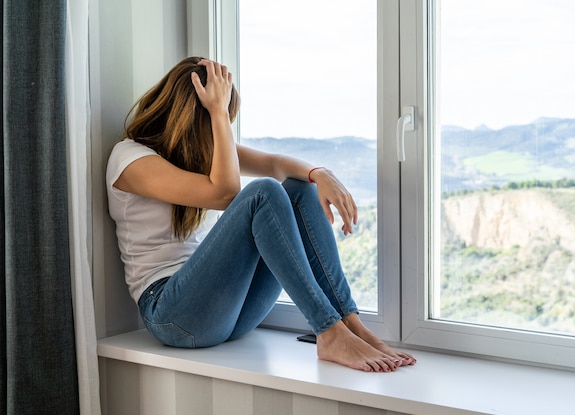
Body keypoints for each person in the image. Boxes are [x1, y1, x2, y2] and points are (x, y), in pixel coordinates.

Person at [106, 56, 416, 372]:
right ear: (195, 116)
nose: (221, 130)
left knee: (299, 188)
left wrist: (321, 173)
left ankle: (350, 324)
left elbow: (274, 163)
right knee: (263, 193)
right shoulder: (130, 159)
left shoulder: (195, 151)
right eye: (219, 118)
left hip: (226, 313)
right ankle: (328, 331)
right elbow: (225, 193)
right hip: (173, 315)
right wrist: (218, 114)